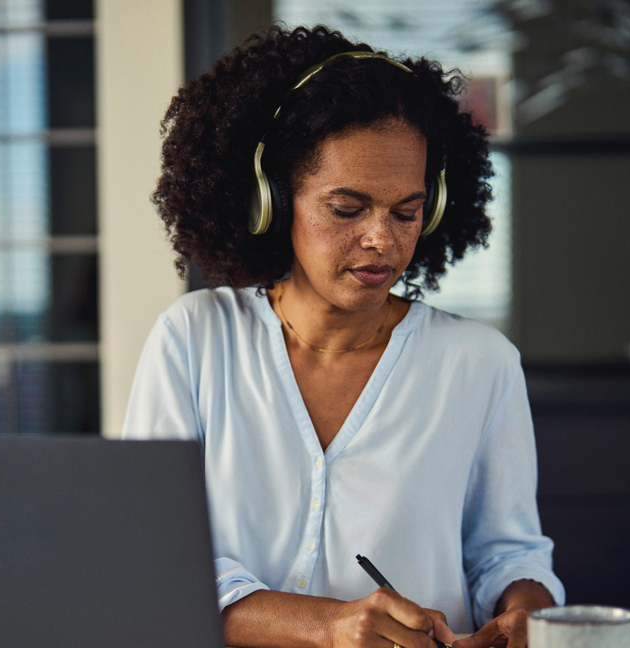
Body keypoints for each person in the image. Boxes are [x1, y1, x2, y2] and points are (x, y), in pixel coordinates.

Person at [123, 24, 565, 648]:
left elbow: (508, 552)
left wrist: (527, 610)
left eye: (406, 211)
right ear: (272, 201)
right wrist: (327, 625)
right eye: (347, 208)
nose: (382, 239)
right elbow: (153, 564)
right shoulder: (194, 342)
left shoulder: (478, 363)